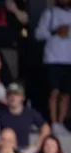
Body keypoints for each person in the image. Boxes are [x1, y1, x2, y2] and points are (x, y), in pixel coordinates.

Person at [36, 0, 71, 134]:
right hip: (52, 59)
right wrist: (54, 31)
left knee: (66, 94)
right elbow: (38, 34)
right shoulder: (49, 13)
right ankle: (54, 122)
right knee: (54, 92)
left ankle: (61, 123)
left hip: (68, 60)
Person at [0, 83, 49, 150]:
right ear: (6, 97)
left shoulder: (30, 112)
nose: (13, 97)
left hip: (24, 151)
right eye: (10, 94)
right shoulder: (0, 113)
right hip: (6, 150)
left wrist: (38, 144)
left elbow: (45, 127)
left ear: (23, 97)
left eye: (16, 94)